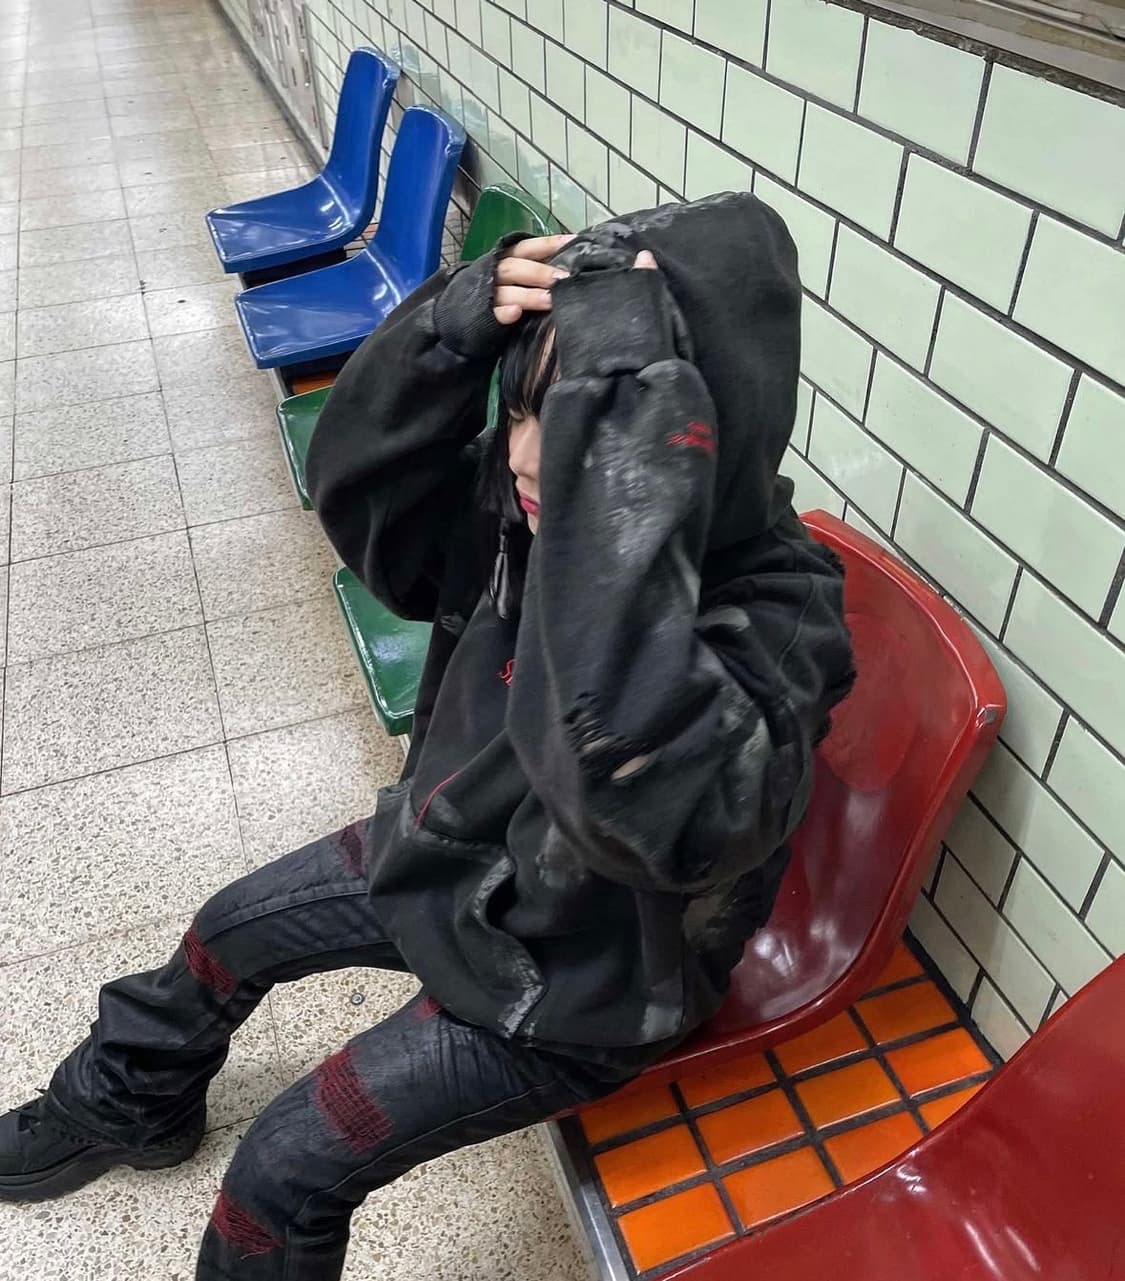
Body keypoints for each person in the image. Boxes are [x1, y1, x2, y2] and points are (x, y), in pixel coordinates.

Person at [0, 192, 855, 1279]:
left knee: (284, 1169)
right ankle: (128, 1101)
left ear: (682, 438)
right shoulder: (523, 507)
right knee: (224, 931)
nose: (531, 459)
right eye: (526, 412)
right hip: (448, 851)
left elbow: (637, 810)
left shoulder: (785, 614)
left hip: (580, 978)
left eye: (586, 426)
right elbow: (373, 515)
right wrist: (441, 339)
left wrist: (614, 499)